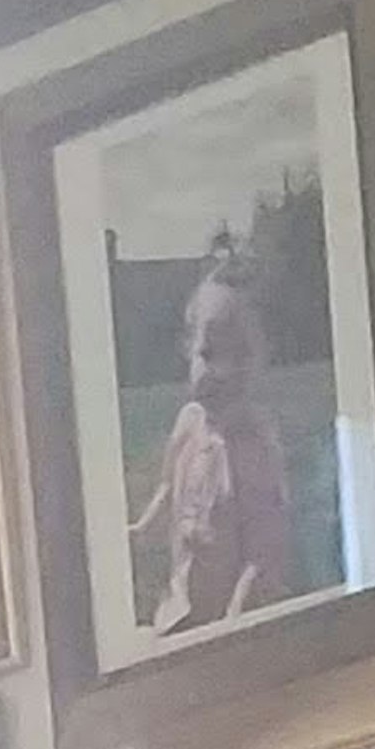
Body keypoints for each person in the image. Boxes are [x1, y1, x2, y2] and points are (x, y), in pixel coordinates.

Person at [130, 252, 298, 636]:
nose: (221, 371)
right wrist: (138, 532)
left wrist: (235, 619)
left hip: (222, 623)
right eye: (208, 354)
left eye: (239, 355)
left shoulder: (255, 449)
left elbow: (262, 553)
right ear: (187, 351)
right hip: (175, 612)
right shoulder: (189, 422)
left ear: (265, 360)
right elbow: (168, 488)